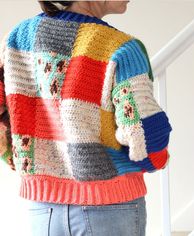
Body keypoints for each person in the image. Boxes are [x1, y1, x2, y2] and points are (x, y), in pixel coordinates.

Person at [0, 1, 173, 235]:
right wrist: (155, 159)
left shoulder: (17, 40)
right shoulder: (122, 49)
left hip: (42, 208)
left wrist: (20, 160)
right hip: (110, 205)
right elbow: (143, 134)